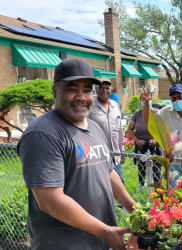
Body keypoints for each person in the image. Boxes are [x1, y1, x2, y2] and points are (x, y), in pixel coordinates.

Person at [17, 58, 135, 250]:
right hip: (64, 244)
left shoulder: (94, 128)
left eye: (87, 90)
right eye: (72, 89)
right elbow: (49, 200)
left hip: (99, 240)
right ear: (56, 91)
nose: (81, 96)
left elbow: (108, 172)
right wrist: (105, 231)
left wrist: (136, 211)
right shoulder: (43, 133)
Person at [88, 81, 126, 185]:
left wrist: (122, 150)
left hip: (115, 154)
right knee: (101, 185)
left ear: (111, 90)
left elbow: (119, 129)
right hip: (98, 155)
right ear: (96, 89)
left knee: (120, 183)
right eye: (101, 88)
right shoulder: (90, 106)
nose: (104, 90)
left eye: (107, 88)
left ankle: (116, 202)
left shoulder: (115, 105)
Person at [127, 93, 163, 192]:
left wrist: (156, 140)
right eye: (143, 99)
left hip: (155, 143)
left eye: (149, 98)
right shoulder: (137, 114)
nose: (146, 101)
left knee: (156, 167)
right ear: (140, 101)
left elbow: (164, 130)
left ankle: (157, 189)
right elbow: (130, 129)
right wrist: (137, 140)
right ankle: (142, 184)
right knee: (141, 165)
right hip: (141, 144)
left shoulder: (157, 113)